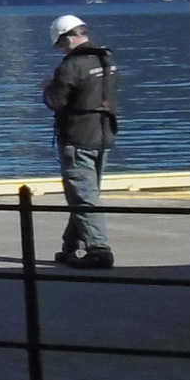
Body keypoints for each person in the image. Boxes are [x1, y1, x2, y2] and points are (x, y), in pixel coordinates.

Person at [39, 14, 117, 269]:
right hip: (103, 134)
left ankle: (99, 249)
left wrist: (48, 87)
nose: (61, 49)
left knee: (83, 196)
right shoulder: (106, 60)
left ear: (68, 37)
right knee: (85, 193)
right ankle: (71, 246)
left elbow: (55, 102)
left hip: (78, 137)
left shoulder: (71, 66)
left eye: (61, 44)